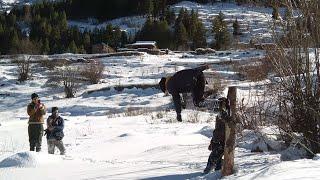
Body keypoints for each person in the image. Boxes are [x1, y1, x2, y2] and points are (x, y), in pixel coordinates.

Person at [203, 97, 230, 174]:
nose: (219, 106)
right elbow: (216, 129)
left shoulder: (227, 115)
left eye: (221, 104)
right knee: (216, 159)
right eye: (219, 104)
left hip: (223, 141)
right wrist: (212, 141)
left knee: (214, 157)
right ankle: (215, 173)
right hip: (216, 139)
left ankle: (208, 173)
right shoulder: (218, 115)